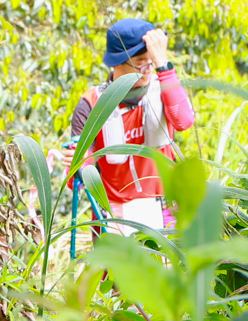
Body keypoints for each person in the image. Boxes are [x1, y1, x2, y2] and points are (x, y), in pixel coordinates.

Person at [66, 17, 195, 234]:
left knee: (167, 267)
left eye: (150, 62)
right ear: (116, 62)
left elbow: (184, 121)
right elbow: (76, 179)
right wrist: (79, 165)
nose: (147, 69)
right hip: (113, 215)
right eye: (140, 63)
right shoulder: (92, 103)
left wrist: (163, 65)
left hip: (164, 209)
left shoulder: (163, 88)